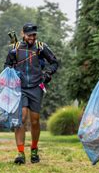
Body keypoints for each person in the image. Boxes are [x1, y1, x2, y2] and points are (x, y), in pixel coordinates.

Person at [4, 23, 59, 165]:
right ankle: (20, 153)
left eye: (34, 35)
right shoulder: (15, 49)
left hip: (36, 87)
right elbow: (6, 66)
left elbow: (54, 62)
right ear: (23, 34)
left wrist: (48, 73)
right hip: (20, 88)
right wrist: (11, 76)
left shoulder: (41, 47)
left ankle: (34, 150)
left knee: (35, 120)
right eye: (29, 35)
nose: (32, 38)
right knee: (21, 118)